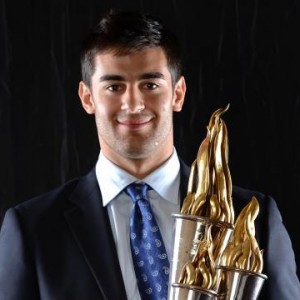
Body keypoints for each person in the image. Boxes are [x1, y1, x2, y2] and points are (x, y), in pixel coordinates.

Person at [0, 9, 299, 300]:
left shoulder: (254, 217)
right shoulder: (33, 229)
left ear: (178, 94)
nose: (133, 103)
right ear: (88, 97)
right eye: (114, 86)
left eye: (150, 84)